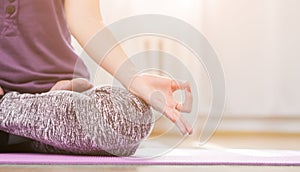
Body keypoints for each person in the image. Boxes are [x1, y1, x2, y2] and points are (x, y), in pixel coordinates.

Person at [0, 0, 192, 156]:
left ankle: (14, 127)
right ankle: (37, 128)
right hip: (42, 104)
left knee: (130, 118)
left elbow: (86, 20)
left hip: (63, 92)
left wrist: (135, 79)